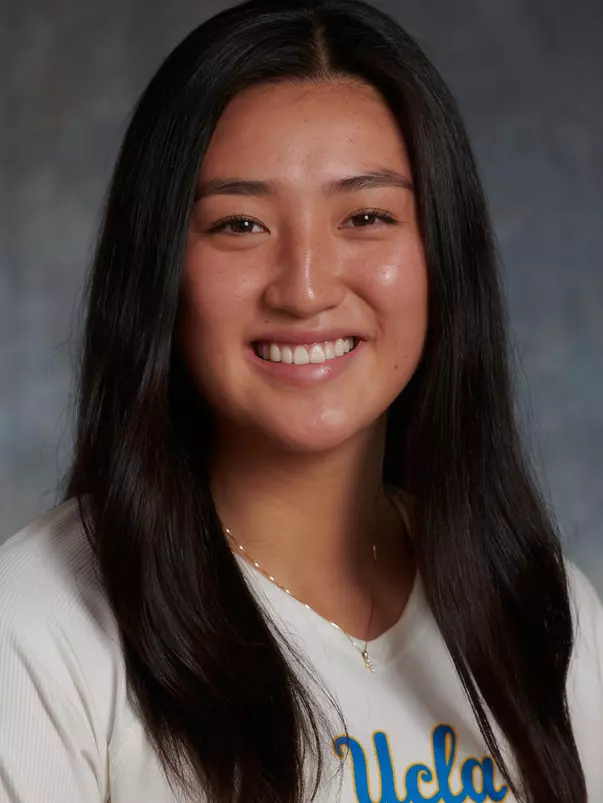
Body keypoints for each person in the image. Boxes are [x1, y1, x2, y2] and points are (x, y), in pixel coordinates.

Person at [0, 0, 601, 801]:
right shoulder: (35, 628)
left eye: (366, 215)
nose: (306, 287)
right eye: (240, 223)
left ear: (440, 255)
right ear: (158, 270)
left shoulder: (541, 607)